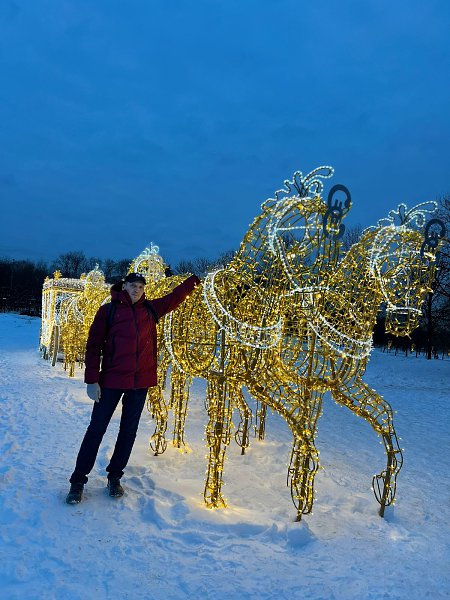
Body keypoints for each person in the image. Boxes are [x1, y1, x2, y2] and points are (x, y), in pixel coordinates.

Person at [66, 271, 200, 504]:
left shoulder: (150, 310)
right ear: (124, 286)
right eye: (132, 285)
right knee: (96, 429)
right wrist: (92, 379)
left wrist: (194, 280)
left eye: (140, 286)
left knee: (128, 432)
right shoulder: (108, 311)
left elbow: (175, 297)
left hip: (139, 384)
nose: (137, 290)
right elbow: (93, 346)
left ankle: (115, 476)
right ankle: (78, 481)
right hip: (111, 381)